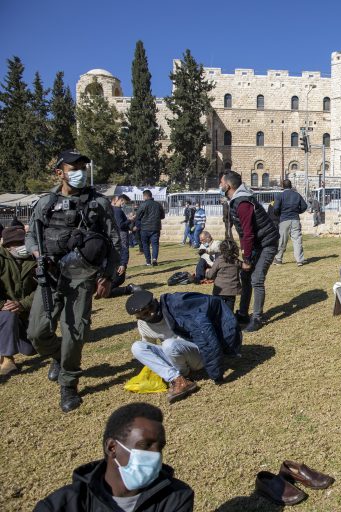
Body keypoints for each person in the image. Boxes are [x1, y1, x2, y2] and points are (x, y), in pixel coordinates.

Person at [26, 149, 120, 412]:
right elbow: (32, 235)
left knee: (75, 332)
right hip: (50, 274)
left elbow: (113, 242)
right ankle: (58, 355)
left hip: (81, 277)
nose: (79, 172)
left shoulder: (98, 203)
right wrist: (37, 253)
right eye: (73, 168)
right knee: (37, 332)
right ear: (60, 173)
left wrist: (108, 276)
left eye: (82, 168)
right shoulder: (46, 202)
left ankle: (68, 383)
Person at [34, 402, 194, 511]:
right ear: (112, 448)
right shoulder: (62, 505)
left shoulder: (177, 497)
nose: (156, 455)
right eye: (145, 445)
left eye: (160, 447)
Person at [127, 289, 242, 401]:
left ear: (155, 301)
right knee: (137, 347)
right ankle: (177, 379)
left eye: (151, 308)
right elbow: (149, 349)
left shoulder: (175, 308)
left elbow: (205, 337)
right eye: (145, 314)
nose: (151, 314)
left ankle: (183, 376)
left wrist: (216, 373)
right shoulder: (143, 324)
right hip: (175, 356)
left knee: (169, 344)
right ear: (139, 318)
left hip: (197, 353)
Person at [220, 171, 279, 332]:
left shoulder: (243, 203)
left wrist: (246, 259)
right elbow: (243, 232)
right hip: (256, 244)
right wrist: (245, 252)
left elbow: (248, 233)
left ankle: (257, 318)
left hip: (267, 243)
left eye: (221, 183)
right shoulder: (236, 201)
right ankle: (243, 314)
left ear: (228, 186)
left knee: (257, 279)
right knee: (245, 276)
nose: (220, 185)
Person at [0, 226, 37, 375]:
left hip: (24, 313)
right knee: (8, 313)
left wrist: (22, 304)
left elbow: (42, 290)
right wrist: (3, 304)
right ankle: (7, 358)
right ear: (8, 246)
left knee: (30, 350)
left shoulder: (34, 258)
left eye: (23, 242)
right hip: (4, 312)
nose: (22, 247)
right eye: (18, 243)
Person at [274, 179, 307, 266]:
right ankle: (299, 260)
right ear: (291, 186)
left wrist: (279, 214)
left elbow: (276, 208)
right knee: (297, 240)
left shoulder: (280, 195)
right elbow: (304, 206)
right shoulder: (297, 195)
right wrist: (297, 211)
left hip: (284, 219)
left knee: (282, 240)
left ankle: (278, 259)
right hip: (295, 219)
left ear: (282, 186)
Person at [109, 194, 137, 297]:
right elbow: (120, 224)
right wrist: (130, 219)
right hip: (121, 235)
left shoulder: (113, 210)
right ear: (118, 200)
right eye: (123, 202)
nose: (123, 204)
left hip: (119, 235)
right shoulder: (117, 210)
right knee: (123, 251)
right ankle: (121, 270)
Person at [206, 239, 241, 311]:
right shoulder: (237, 261)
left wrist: (207, 272)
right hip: (232, 290)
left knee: (217, 310)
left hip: (219, 290)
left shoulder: (219, 260)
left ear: (221, 249)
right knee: (229, 311)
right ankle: (228, 318)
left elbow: (210, 275)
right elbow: (244, 267)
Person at [133, 190, 165, 267]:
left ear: (145, 196)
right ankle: (154, 259)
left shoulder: (143, 205)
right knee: (155, 244)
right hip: (155, 227)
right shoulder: (158, 204)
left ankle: (148, 261)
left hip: (145, 228)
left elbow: (138, 216)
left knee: (145, 245)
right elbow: (162, 216)